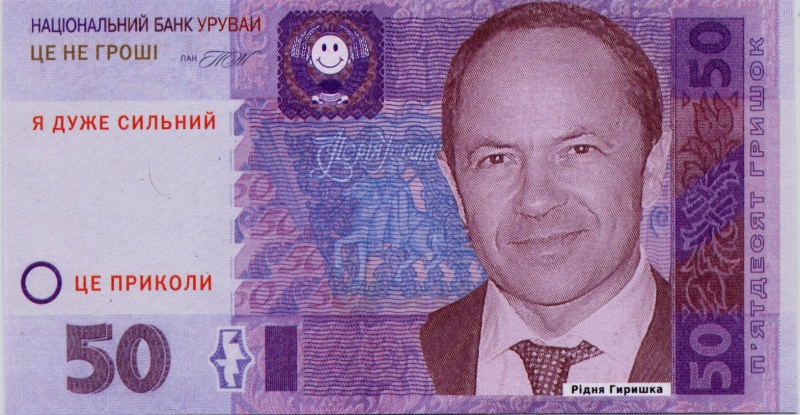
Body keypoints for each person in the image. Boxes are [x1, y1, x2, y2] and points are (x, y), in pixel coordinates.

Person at [420, 1, 672, 395]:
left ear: (652, 168)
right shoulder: (393, 356)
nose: (536, 201)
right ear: (455, 187)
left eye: (579, 150)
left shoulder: (734, 358)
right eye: (497, 159)